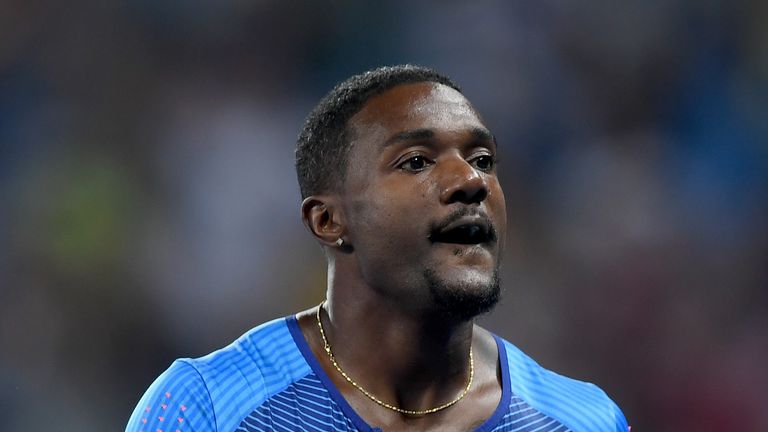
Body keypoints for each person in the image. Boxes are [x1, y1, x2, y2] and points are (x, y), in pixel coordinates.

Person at [126, 65, 629, 432]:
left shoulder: (581, 421)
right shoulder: (208, 407)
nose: (471, 181)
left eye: (483, 158)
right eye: (415, 161)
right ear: (328, 221)